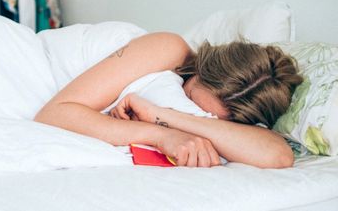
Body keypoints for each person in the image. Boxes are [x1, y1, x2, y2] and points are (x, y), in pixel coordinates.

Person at [34, 31, 303, 169]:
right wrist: (160, 136)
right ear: (200, 68)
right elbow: (54, 114)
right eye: (190, 97)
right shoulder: (168, 48)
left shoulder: (238, 108)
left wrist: (163, 117)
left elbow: (277, 155)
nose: (190, 109)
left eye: (206, 116)